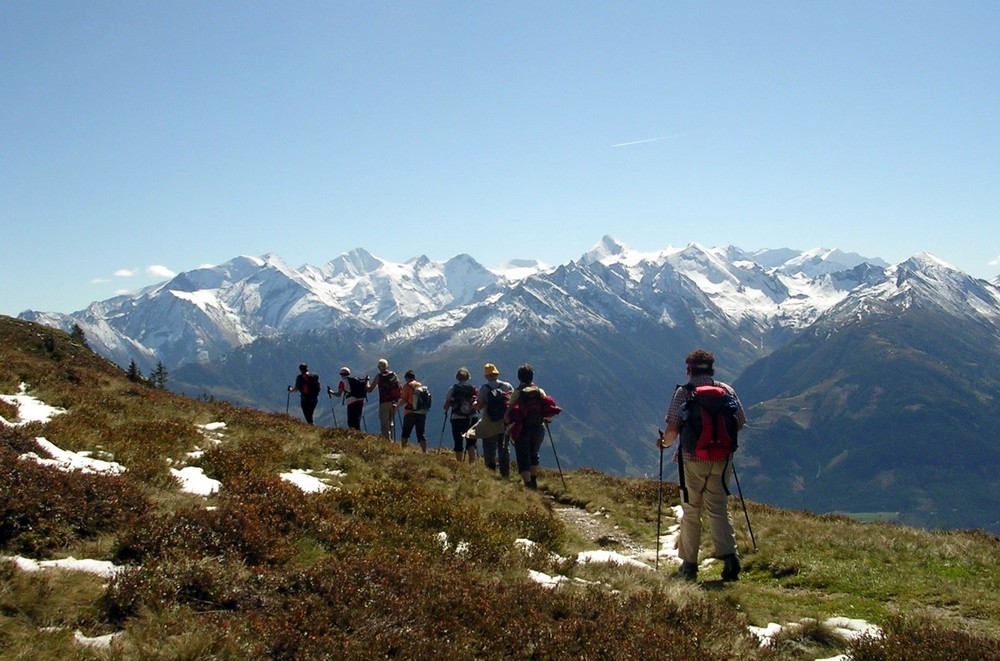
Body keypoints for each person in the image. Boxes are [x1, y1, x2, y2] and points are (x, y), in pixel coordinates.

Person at [657, 348, 746, 582]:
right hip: (722, 459)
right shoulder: (726, 390)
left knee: (691, 510)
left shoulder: (684, 393)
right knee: (718, 508)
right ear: (712, 368)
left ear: (689, 369)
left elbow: (673, 429)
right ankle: (730, 558)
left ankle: (690, 564)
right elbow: (740, 421)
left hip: (692, 460)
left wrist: (663, 444)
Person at [505, 364, 551, 490]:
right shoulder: (539, 391)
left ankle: (528, 484)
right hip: (538, 427)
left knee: (522, 455)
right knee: (534, 453)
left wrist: (508, 424)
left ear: (519, 378)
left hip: (522, 428)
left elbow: (509, 411)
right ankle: (534, 480)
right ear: (532, 377)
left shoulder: (517, 392)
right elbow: (547, 409)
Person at [475, 363, 512, 476]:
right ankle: (505, 473)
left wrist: (473, 403)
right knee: (504, 447)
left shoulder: (484, 389)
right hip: (504, 421)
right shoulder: (507, 386)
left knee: (489, 447)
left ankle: (490, 472)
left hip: (489, 422)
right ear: (496, 373)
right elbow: (513, 402)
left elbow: (479, 406)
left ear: (486, 376)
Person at [443, 367, 478, 463]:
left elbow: (446, 405)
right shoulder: (473, 389)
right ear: (468, 377)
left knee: (458, 442)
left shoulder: (453, 388)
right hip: (471, 418)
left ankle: (459, 464)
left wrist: (446, 411)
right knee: (471, 443)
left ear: (457, 377)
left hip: (457, 418)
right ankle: (472, 464)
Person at [367, 358, 399, 440]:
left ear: (379, 367)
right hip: (393, 402)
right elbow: (399, 387)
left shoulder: (379, 376)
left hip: (384, 402)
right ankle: (391, 440)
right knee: (390, 422)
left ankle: (387, 441)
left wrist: (366, 382)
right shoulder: (393, 375)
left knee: (384, 423)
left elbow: (370, 389)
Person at [399, 369, 429, 451]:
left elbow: (404, 400)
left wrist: (396, 408)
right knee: (421, 434)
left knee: (405, 433)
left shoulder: (407, 386)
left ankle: (403, 450)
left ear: (407, 378)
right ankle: (424, 451)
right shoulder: (420, 386)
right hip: (421, 413)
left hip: (410, 413)